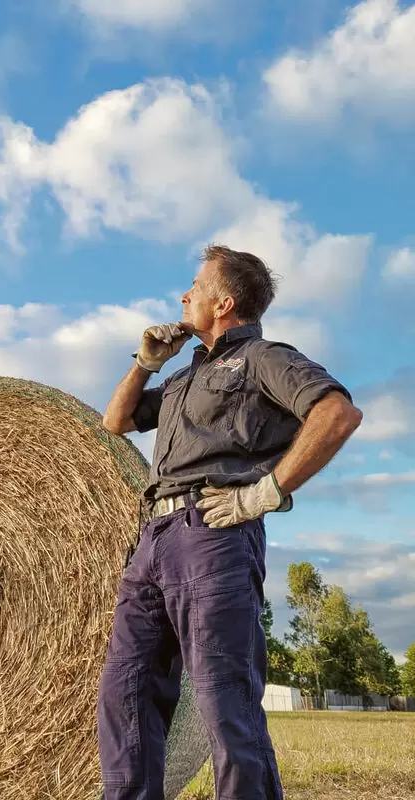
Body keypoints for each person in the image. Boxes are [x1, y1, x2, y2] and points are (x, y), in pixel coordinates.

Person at [96, 244, 363, 800]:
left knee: (224, 699)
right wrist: (146, 362)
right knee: (126, 691)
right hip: (153, 542)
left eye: (195, 286)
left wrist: (266, 492)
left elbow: (337, 413)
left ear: (225, 302)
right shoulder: (181, 380)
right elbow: (115, 421)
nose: (183, 295)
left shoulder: (264, 358)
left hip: (214, 535)